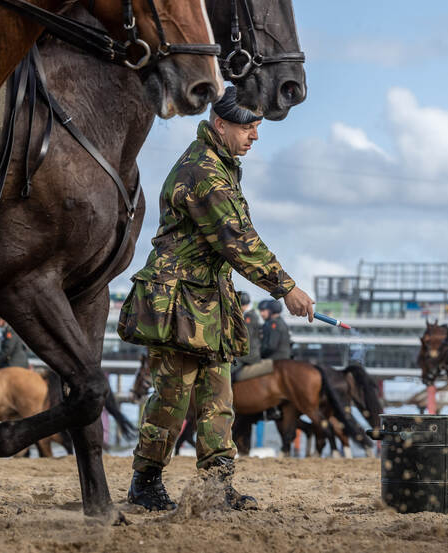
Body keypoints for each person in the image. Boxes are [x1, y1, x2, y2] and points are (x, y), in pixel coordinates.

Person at [118, 86, 314, 512]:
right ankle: (145, 483)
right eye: (248, 127)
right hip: (178, 301)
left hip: (207, 301)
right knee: (172, 399)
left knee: (218, 399)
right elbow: (236, 240)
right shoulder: (204, 171)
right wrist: (286, 287)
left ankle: (216, 486)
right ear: (220, 124)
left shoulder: (221, 165)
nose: (255, 136)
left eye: (258, 126)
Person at [232, 292, 261, 377]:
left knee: (226, 371)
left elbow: (245, 335)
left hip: (249, 354)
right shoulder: (249, 315)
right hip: (248, 351)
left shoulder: (249, 316)